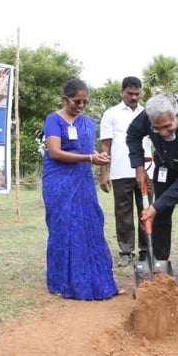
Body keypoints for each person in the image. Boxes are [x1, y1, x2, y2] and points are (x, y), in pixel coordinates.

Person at [126, 93, 178, 307]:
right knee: (161, 216)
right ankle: (157, 277)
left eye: (167, 127)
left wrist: (156, 205)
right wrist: (138, 167)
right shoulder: (148, 117)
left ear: (177, 116)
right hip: (165, 164)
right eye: (157, 129)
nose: (163, 133)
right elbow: (132, 135)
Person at [41, 77, 119, 300]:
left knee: (89, 224)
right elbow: (55, 152)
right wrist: (89, 158)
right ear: (65, 99)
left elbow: (87, 150)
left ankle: (93, 278)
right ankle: (62, 281)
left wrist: (98, 156)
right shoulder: (53, 120)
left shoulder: (88, 123)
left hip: (82, 180)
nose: (81, 106)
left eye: (84, 102)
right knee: (63, 227)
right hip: (59, 182)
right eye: (76, 101)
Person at [99, 77, 153, 267]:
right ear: (122, 92)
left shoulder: (148, 113)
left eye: (137, 94)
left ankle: (146, 251)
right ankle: (126, 251)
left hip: (147, 171)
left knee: (147, 210)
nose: (133, 97)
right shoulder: (111, 114)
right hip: (121, 171)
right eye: (130, 93)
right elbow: (105, 145)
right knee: (123, 213)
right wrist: (103, 173)